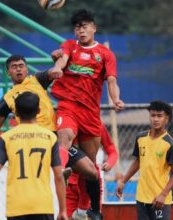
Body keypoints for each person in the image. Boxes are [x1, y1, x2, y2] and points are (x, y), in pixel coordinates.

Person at [50, 9, 124, 219]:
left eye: (84, 26)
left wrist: (116, 99)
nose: (80, 31)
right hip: (69, 106)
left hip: (91, 114)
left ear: (94, 28)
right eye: (77, 27)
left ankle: (85, 209)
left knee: (90, 170)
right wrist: (57, 67)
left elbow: (111, 81)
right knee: (64, 137)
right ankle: (61, 169)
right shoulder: (70, 46)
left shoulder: (106, 55)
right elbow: (62, 60)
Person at [0, 91, 68, 220]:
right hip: (43, 206)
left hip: (17, 208)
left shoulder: (6, 138)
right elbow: (59, 176)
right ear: (39, 111)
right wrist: (63, 210)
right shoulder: (50, 138)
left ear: (16, 113)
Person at [0, 54, 61, 143]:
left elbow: (54, 71)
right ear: (8, 72)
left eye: (21, 66)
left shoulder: (37, 79)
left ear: (26, 69)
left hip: (54, 135)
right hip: (31, 140)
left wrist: (59, 63)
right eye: (14, 67)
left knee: (75, 161)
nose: (18, 69)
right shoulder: (7, 98)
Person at [116, 101, 173, 220]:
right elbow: (138, 161)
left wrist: (163, 194)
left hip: (160, 200)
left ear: (166, 119)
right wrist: (123, 181)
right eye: (153, 115)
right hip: (141, 198)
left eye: (159, 116)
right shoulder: (140, 138)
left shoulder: (171, 144)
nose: (155, 119)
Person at [67, 124, 119, 220]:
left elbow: (112, 151)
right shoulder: (68, 125)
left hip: (91, 184)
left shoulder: (96, 124)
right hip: (70, 184)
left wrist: (109, 163)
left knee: (92, 216)